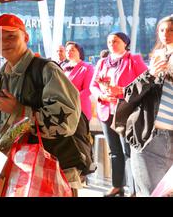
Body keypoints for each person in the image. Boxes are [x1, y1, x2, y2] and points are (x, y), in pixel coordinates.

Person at [0, 14, 82, 195]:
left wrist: (20, 110)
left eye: (11, 36)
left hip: (51, 171)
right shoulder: (3, 76)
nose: (5, 42)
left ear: (25, 37)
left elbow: (66, 122)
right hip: (19, 171)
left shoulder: (46, 70)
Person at [115, 15, 173, 196]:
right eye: (162, 30)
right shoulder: (157, 59)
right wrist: (151, 74)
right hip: (148, 136)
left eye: (171, 30)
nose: (166, 34)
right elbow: (130, 94)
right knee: (151, 193)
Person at [90, 31, 147, 197]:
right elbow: (94, 84)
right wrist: (101, 95)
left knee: (129, 151)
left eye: (115, 41)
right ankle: (117, 185)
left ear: (125, 43)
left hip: (127, 111)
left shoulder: (134, 60)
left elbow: (145, 84)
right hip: (106, 111)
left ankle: (134, 189)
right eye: (109, 41)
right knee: (114, 150)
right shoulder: (102, 62)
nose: (111, 44)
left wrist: (121, 93)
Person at [63, 41, 95, 122]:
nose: (68, 52)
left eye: (72, 50)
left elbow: (88, 90)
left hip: (80, 108)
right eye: (67, 50)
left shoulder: (87, 67)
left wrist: (71, 99)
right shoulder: (63, 67)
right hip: (64, 108)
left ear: (79, 52)